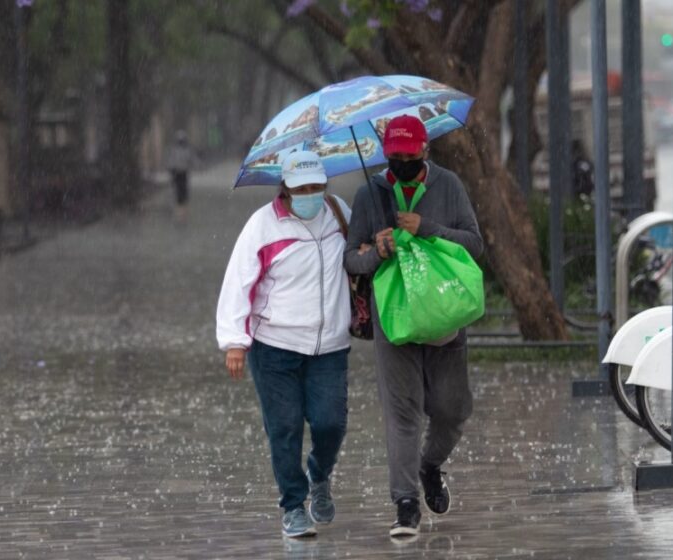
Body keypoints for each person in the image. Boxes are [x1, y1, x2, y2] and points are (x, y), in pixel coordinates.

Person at [343, 115, 483, 538]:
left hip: (444, 314)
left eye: (409, 155)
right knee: (401, 412)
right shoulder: (371, 193)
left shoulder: (449, 186)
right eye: (394, 157)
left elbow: (475, 246)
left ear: (425, 151)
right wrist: (377, 251)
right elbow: (350, 259)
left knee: (452, 409)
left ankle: (430, 466)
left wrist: (430, 230)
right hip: (394, 317)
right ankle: (405, 504)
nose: (401, 163)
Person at [216, 150, 352, 539]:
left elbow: (359, 256)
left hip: (330, 345)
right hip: (274, 346)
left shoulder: (339, 214)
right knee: (285, 427)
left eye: (317, 187)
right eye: (301, 189)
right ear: (285, 190)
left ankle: (319, 475)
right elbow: (238, 283)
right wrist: (234, 343)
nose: (310, 195)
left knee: (331, 424)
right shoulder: (263, 226)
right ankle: (293, 505)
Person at [166, 130, 195, 222]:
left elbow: (171, 163)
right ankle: (181, 214)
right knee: (181, 194)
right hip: (180, 174)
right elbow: (191, 161)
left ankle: (181, 214)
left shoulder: (178, 151)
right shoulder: (183, 151)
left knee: (181, 194)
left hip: (180, 174)